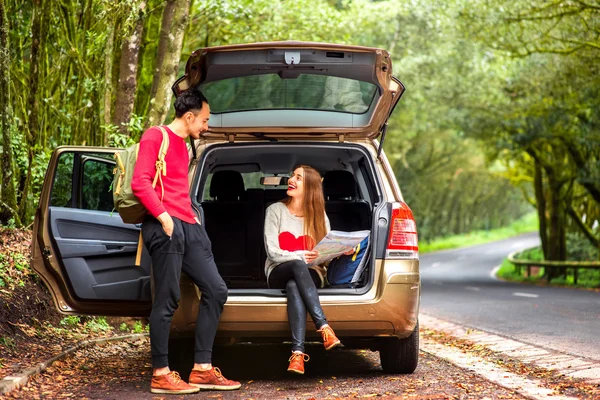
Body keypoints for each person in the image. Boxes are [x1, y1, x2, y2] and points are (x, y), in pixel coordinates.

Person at [132, 89, 240, 394]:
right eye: (204, 119)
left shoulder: (185, 146)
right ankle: (161, 373)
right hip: (164, 224)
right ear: (189, 116)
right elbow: (140, 181)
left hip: (188, 225)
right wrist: (164, 217)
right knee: (167, 300)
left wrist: (192, 222)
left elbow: (179, 188)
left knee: (216, 290)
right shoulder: (156, 136)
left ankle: (202, 370)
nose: (206, 125)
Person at [264, 165, 351, 374]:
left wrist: (340, 251)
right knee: (296, 264)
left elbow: (326, 251)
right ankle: (323, 327)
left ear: (311, 187)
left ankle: (297, 354)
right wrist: (301, 256)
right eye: (292, 175)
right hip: (278, 270)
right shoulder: (275, 210)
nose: (291, 180)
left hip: (311, 273)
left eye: (298, 177)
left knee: (295, 286)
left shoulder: (319, 215)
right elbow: (272, 252)